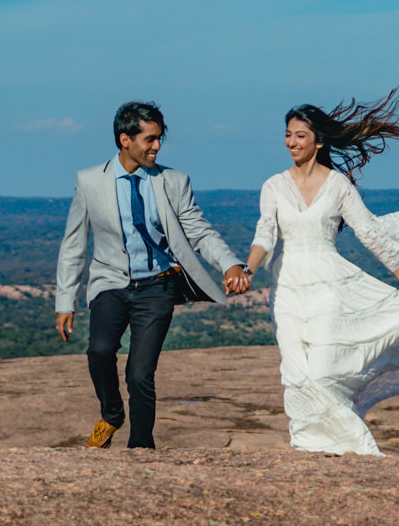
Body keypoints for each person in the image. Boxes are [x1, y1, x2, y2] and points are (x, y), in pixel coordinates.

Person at [244, 92, 399, 456]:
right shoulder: (273, 186)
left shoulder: (338, 185)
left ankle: (349, 444)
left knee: (320, 371)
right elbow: (264, 235)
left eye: (300, 135)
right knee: (296, 372)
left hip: (329, 286)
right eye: (288, 134)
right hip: (286, 289)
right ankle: (308, 444)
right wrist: (248, 269)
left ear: (318, 140)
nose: (291, 142)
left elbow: (369, 233)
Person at [55, 101, 252, 449]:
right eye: (150, 139)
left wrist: (230, 263)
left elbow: (200, 231)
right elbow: (74, 245)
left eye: (159, 139)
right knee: (99, 351)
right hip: (109, 284)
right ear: (125, 140)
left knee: (140, 374)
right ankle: (112, 414)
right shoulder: (89, 181)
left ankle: (141, 448)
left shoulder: (173, 182)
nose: (157, 147)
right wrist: (64, 301)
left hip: (157, 286)